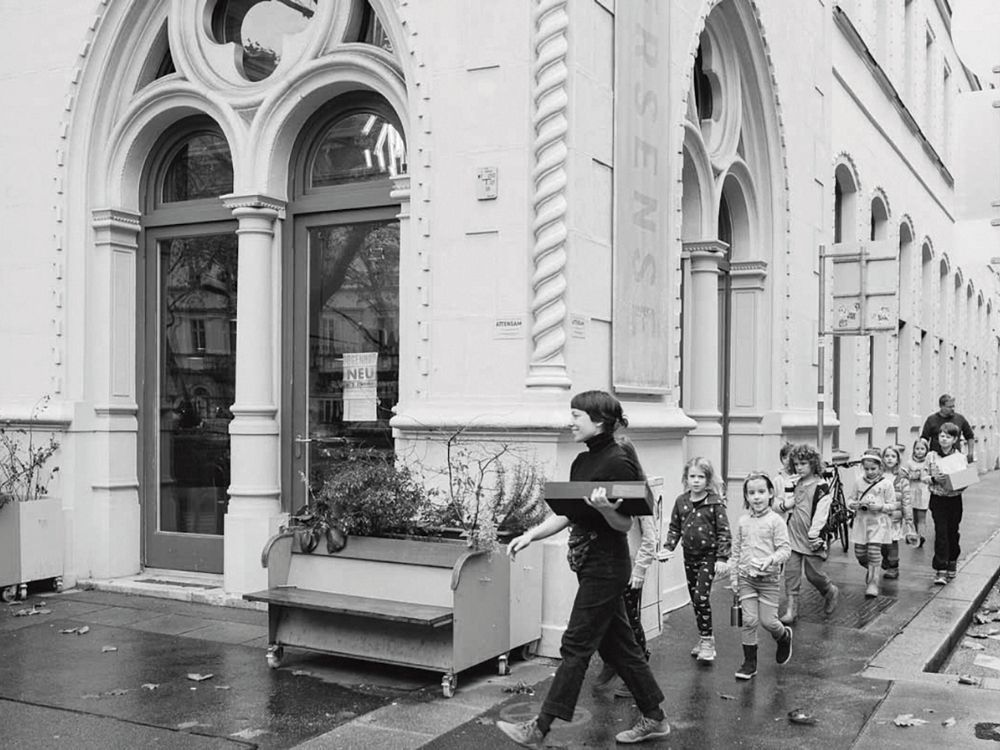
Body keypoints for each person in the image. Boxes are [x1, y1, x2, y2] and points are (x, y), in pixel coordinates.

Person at [496, 390, 670, 747]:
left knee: (575, 644)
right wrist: (530, 536)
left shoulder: (619, 461)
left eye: (577, 415)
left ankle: (540, 727)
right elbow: (566, 513)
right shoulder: (581, 461)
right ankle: (655, 717)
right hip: (588, 562)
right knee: (620, 647)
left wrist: (607, 508)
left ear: (599, 421)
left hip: (608, 564)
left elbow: (624, 524)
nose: (570, 421)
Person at [663, 456, 732, 663]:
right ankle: (703, 637)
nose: (696, 481)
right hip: (689, 556)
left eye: (701, 477)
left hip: (709, 556)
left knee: (701, 596)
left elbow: (724, 532)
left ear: (708, 479)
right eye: (692, 476)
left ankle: (708, 641)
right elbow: (675, 527)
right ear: (686, 478)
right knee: (695, 599)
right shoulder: (681, 501)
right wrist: (668, 547)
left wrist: (722, 557)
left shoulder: (714, 503)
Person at [730, 472, 793, 680]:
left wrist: (771, 560)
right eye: (751, 493)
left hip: (768, 581)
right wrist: (734, 577)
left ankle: (783, 636)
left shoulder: (776, 521)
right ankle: (749, 663)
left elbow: (785, 550)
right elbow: (736, 551)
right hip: (746, 579)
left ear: (770, 493)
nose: (756, 497)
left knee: (768, 622)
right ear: (746, 496)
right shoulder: (742, 522)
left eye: (761, 492)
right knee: (749, 620)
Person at [591, 513, 658, 699]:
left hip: (629, 568)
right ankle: (611, 661)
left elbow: (650, 536)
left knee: (629, 620)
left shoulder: (638, 492)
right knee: (602, 618)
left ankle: (639, 674)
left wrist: (640, 568)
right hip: (605, 564)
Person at [773, 444, 839, 623]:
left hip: (812, 537)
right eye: (796, 464)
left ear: (813, 464)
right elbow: (783, 504)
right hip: (792, 535)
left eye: (803, 463)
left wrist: (814, 534)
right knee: (791, 574)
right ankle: (791, 609)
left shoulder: (821, 487)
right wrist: (784, 502)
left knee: (813, 575)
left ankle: (829, 591)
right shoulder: (794, 483)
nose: (799, 467)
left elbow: (821, 513)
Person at [846, 448, 897, 598]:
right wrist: (853, 504)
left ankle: (873, 582)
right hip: (862, 522)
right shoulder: (858, 482)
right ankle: (873, 567)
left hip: (879, 522)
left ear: (880, 467)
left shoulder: (886, 484)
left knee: (874, 551)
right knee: (860, 554)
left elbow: (892, 504)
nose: (870, 472)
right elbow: (850, 498)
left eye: (873, 468)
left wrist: (880, 507)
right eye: (867, 469)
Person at [926, 422, 967, 585]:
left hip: (954, 499)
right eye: (942, 436)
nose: (944, 439)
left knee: (952, 532)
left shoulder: (960, 458)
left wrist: (954, 481)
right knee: (940, 532)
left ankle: (952, 562)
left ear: (955, 439)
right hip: (937, 499)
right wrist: (934, 479)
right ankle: (940, 569)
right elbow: (923, 475)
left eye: (948, 436)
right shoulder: (931, 456)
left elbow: (965, 480)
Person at [880, 445, 915, 580]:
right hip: (880, 515)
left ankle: (893, 567)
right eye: (887, 456)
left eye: (893, 456)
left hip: (895, 516)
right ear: (882, 459)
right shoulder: (878, 475)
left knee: (892, 542)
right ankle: (886, 558)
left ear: (897, 460)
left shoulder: (901, 477)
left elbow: (906, 500)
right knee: (882, 542)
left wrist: (909, 520)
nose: (889, 459)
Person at [920, 394, 975, 463]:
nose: (952, 409)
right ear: (941, 406)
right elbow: (924, 438)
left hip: (955, 458)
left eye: (953, 406)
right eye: (949, 407)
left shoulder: (960, 419)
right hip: (936, 459)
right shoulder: (931, 420)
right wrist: (922, 454)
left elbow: (970, 436)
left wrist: (970, 453)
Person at [905, 438, 931, 547]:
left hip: (923, 491)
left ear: (926, 450)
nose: (919, 451)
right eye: (917, 448)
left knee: (921, 516)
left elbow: (931, 475)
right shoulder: (909, 462)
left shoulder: (928, 462)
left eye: (922, 448)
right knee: (913, 516)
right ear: (913, 450)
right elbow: (905, 475)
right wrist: (912, 476)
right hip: (912, 490)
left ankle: (921, 536)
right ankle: (915, 534)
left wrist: (925, 476)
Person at [774, 441, 798, 520]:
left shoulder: (800, 478)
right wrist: (783, 506)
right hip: (783, 518)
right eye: (784, 458)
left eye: (790, 457)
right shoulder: (777, 480)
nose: (787, 460)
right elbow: (772, 500)